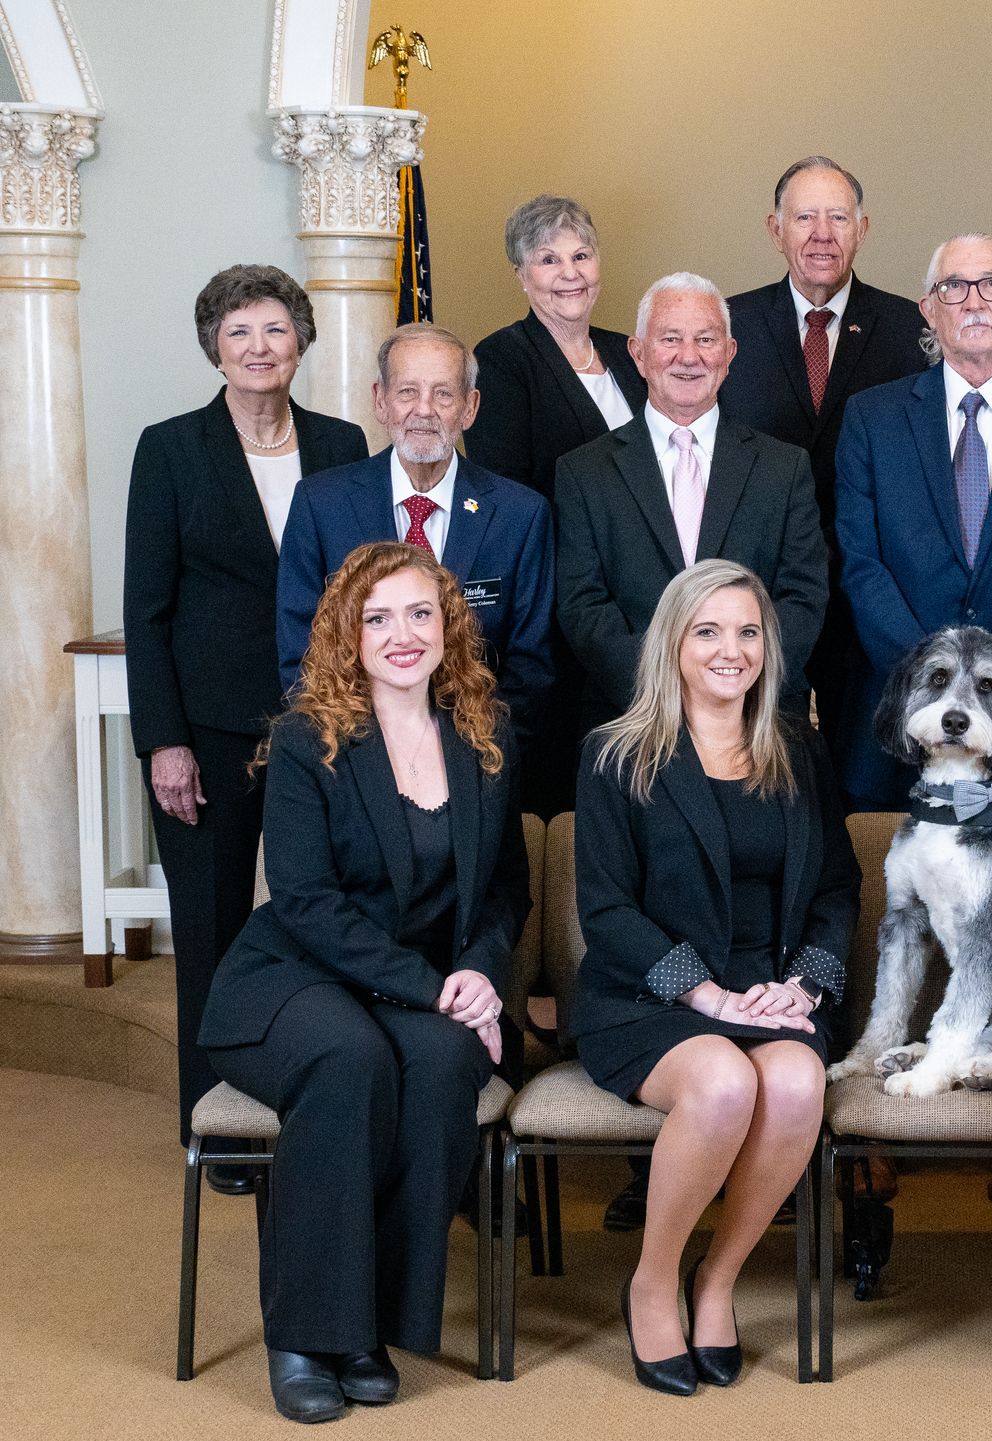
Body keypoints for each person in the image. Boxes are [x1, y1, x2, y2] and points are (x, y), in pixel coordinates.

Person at [200, 541, 530, 1423]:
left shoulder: (483, 735)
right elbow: (306, 903)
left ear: (448, 624)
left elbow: (503, 891)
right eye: (377, 617)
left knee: (445, 1063)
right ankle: (304, 1335)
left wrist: (478, 977)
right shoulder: (308, 740)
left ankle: (369, 1325)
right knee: (350, 1061)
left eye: (420, 613)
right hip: (292, 979)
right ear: (348, 633)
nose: (401, 633)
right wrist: (434, 985)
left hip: (415, 985)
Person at [571, 560, 858, 1396]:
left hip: (770, 989)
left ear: (767, 647)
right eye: (708, 631)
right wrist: (702, 991)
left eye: (747, 632)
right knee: (726, 1085)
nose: (730, 650)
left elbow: (838, 885)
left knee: (799, 1082)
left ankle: (718, 1278)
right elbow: (606, 910)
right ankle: (652, 1283)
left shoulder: (798, 749)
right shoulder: (615, 754)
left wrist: (805, 984)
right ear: (673, 643)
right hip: (649, 996)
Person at [123, 264, 368, 1183]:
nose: (260, 347)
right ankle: (214, 1127)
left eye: (275, 329)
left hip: (326, 725)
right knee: (214, 927)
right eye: (240, 333)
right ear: (214, 348)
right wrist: (165, 741)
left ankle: (317, 1104)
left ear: (301, 340)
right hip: (210, 733)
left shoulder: (344, 442)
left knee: (327, 919)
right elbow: (144, 609)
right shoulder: (172, 449)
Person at [835, 233, 992, 813]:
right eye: (952, 287)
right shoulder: (871, 418)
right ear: (928, 308)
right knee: (894, 897)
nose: (973, 300)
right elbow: (860, 563)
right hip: (898, 721)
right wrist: (930, 679)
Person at [556, 272, 828, 731]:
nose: (689, 356)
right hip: (632, 724)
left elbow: (803, 598)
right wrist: (666, 688)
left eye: (705, 339)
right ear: (638, 354)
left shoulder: (785, 469)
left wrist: (731, 685)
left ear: (728, 354)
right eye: (670, 339)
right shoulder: (584, 473)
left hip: (759, 724)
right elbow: (583, 606)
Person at [719, 156, 925, 760]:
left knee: (865, 771)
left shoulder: (910, 329)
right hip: (763, 590)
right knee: (761, 766)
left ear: (862, 229)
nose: (822, 233)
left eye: (838, 217)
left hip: (874, 590)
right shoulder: (730, 326)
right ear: (774, 228)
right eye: (804, 217)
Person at [276, 323, 555, 743]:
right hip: (350, 756)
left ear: (470, 407)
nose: (424, 409)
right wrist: (362, 749)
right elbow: (300, 651)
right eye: (407, 391)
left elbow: (530, 665)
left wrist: (466, 748)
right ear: (380, 401)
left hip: (478, 757)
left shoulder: (521, 513)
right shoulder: (321, 503)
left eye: (443, 393)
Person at [465, 194, 647, 818]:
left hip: (648, 593)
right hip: (561, 595)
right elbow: (507, 494)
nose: (570, 272)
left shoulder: (632, 352)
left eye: (581, 255)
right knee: (570, 780)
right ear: (522, 275)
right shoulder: (503, 360)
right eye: (548, 259)